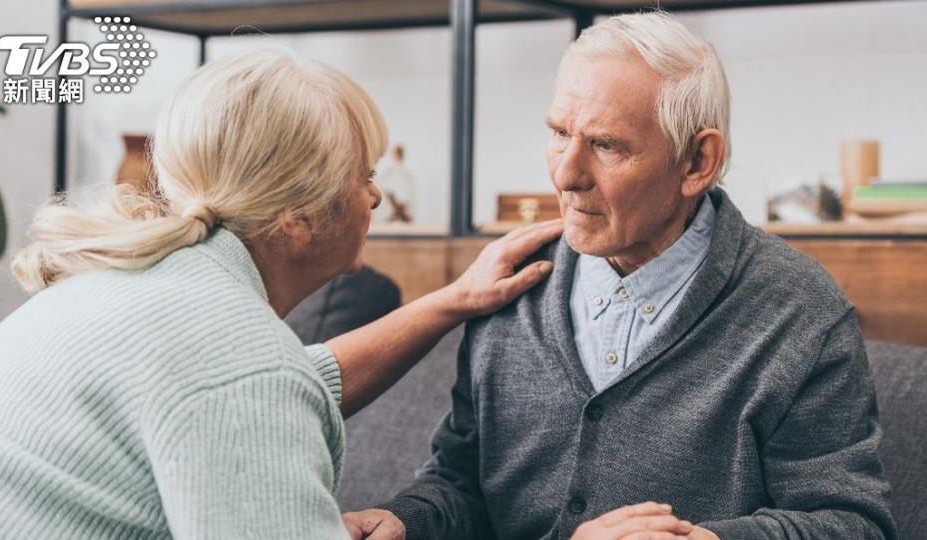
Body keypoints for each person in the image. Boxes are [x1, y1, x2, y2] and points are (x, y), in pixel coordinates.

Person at [0, 49, 563, 539]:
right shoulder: (239, 367)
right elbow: (250, 386)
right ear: (298, 219)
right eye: (364, 175)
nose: (375, 198)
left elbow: (290, 380)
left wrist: (452, 300)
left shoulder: (134, 285)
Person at [344, 12, 896, 540]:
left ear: (697, 163)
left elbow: (851, 523)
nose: (565, 175)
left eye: (606, 145)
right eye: (560, 132)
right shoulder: (509, 286)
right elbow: (461, 483)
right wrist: (407, 520)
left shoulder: (800, 312)